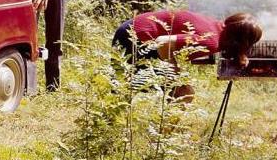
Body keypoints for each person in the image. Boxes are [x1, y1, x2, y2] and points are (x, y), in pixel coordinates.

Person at [112, 10, 263, 99]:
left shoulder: (217, 28)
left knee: (124, 86)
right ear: (241, 41)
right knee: (184, 94)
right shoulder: (211, 41)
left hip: (131, 28)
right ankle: (163, 139)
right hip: (135, 37)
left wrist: (239, 56)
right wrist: (175, 76)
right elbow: (163, 42)